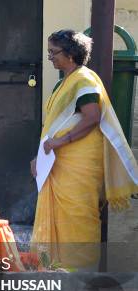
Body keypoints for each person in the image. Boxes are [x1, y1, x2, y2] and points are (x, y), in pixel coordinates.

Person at [31, 29, 138, 269]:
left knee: (78, 216)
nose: (49, 57)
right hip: (58, 162)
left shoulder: (85, 80)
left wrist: (61, 142)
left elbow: (92, 117)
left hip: (78, 162)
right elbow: (53, 126)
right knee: (60, 218)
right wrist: (38, 156)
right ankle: (54, 273)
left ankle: (81, 280)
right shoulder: (64, 83)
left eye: (53, 52)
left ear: (70, 54)